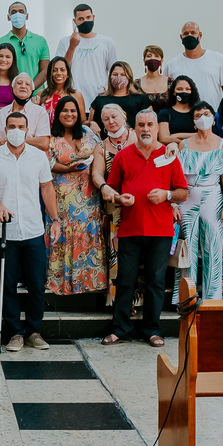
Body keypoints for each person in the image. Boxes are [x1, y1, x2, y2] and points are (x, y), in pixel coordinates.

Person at [100, 110, 188, 346]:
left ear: (157, 128)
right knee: (125, 281)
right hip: (130, 228)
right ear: (134, 128)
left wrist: (167, 195)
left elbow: (183, 191)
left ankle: (152, 329)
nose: (146, 129)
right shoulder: (123, 156)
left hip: (161, 231)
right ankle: (120, 329)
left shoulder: (169, 156)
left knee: (156, 281)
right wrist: (119, 199)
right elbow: (110, 188)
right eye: (141, 125)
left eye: (150, 124)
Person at [0, 112, 58, 352]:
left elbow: (46, 187)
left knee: (36, 284)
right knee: (8, 285)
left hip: (33, 228)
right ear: (4, 129)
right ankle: (14, 333)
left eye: (20, 126)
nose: (16, 130)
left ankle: (34, 330)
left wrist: (55, 219)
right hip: (6, 231)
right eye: (11, 126)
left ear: (27, 130)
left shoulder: (38, 157)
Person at [175, 101, 223, 301]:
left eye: (206, 113)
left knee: (213, 247)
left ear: (213, 117)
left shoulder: (222, 143)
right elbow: (177, 177)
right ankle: (186, 297)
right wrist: (175, 203)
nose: (202, 118)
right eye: (197, 115)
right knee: (187, 249)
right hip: (188, 195)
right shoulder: (184, 144)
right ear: (193, 121)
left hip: (213, 195)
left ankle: (213, 299)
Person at [46, 96, 103, 295]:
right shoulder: (51, 138)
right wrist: (70, 167)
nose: (69, 114)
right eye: (64, 110)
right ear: (57, 114)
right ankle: (62, 282)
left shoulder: (89, 133)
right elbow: (50, 165)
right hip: (62, 196)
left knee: (86, 234)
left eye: (73, 110)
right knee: (63, 234)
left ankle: (87, 281)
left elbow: (100, 156)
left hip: (88, 195)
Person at [91, 103, 135, 308]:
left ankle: (136, 298)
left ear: (124, 115)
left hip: (139, 204)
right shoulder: (101, 146)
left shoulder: (137, 137)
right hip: (115, 206)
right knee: (116, 252)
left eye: (114, 116)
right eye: (106, 119)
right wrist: (103, 187)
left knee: (138, 253)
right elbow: (96, 173)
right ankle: (117, 300)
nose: (111, 121)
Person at [54, 4, 118, 99]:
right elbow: (61, 69)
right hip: (72, 97)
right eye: (81, 19)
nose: (85, 21)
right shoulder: (65, 42)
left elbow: (115, 70)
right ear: (74, 21)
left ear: (93, 17)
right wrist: (72, 46)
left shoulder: (107, 42)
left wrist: (111, 88)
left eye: (88, 17)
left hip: (100, 96)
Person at [165, 22, 223, 108]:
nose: (189, 36)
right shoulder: (172, 65)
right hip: (184, 117)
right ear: (181, 37)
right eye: (186, 33)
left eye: (193, 33)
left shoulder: (218, 58)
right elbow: (167, 93)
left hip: (213, 114)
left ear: (200, 35)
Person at [0, 2, 50, 83]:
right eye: (13, 12)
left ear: (26, 16)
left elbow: (45, 71)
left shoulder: (40, 41)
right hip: (10, 93)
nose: (17, 15)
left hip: (36, 93)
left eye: (21, 12)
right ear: (8, 17)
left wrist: (31, 88)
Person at [0, 74, 50, 149]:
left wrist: (11, 141)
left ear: (32, 90)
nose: (23, 86)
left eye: (27, 84)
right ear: (12, 88)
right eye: (19, 83)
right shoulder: (2, 112)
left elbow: (44, 143)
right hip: (4, 158)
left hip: (29, 159)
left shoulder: (40, 112)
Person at [89, 61, 148, 133]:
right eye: (115, 74)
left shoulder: (141, 99)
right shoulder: (99, 100)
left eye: (123, 74)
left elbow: (149, 123)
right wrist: (91, 123)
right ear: (110, 76)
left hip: (133, 141)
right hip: (105, 142)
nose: (118, 77)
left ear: (129, 77)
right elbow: (89, 123)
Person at [32, 56, 84, 127]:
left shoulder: (76, 95)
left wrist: (92, 123)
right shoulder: (41, 94)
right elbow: (33, 120)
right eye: (54, 70)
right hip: (45, 136)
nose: (59, 73)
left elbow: (83, 122)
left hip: (67, 136)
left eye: (62, 70)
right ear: (50, 73)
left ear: (68, 73)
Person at [158, 75, 200, 145]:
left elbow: (203, 134)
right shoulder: (165, 113)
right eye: (179, 89)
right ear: (174, 92)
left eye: (187, 89)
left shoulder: (198, 112)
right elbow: (163, 138)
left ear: (192, 91)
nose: (183, 92)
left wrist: (176, 135)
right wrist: (186, 143)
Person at [137, 45, 171, 111]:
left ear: (161, 61)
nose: (152, 58)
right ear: (144, 61)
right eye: (149, 56)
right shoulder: (136, 84)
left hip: (168, 120)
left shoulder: (170, 82)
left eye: (156, 56)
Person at [0, 43, 22, 110]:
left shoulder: (19, 81)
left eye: (8, 57)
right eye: (0, 56)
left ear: (13, 60)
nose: (3, 60)